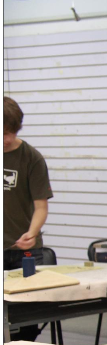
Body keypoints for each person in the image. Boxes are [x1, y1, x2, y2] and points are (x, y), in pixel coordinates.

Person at [3, 96, 52, 271]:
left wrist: (31, 233)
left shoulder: (32, 158)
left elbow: (41, 207)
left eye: (11, 132)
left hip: (25, 250)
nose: (6, 139)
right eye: (2, 133)